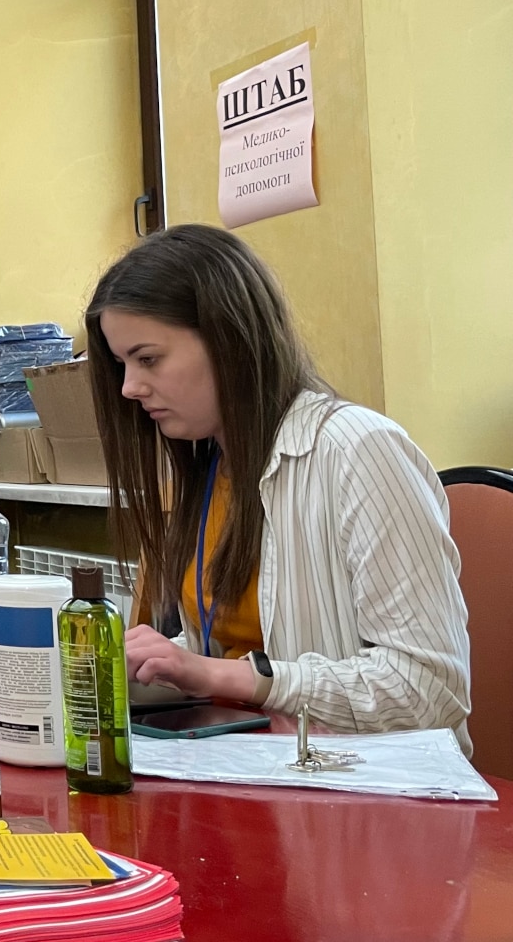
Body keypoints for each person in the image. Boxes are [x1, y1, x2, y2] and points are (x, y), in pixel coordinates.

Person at [89, 224, 471, 750]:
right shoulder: (205, 469)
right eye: (122, 365)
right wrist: (156, 662)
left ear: (230, 341)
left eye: (148, 359)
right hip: (252, 762)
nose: (130, 388)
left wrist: (228, 676)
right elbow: (235, 647)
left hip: (362, 796)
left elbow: (428, 689)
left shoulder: (358, 449)